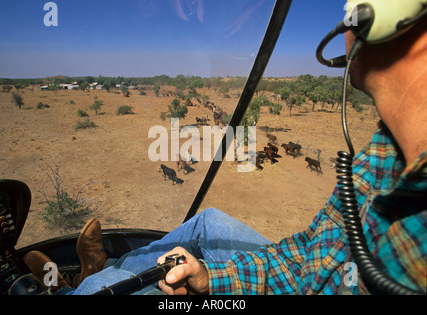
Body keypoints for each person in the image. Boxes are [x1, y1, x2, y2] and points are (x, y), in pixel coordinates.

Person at [23, 4, 427, 295]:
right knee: (207, 221)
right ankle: (100, 266)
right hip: (310, 277)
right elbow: (307, 257)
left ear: (392, 14)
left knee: (114, 290)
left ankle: (80, 288)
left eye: (353, 7)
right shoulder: (383, 153)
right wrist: (212, 280)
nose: (344, 21)